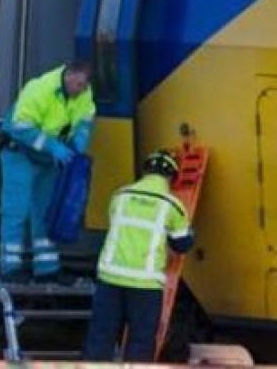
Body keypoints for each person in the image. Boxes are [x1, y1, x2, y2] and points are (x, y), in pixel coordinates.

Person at [83, 150, 194, 362]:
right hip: (145, 284)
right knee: (140, 343)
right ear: (172, 178)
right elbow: (182, 245)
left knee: (100, 338)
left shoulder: (120, 196)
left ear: (144, 171)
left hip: (110, 279)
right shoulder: (171, 205)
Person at [0, 59, 95, 282]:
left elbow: (85, 121)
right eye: (78, 85)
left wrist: (79, 141)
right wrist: (53, 146)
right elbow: (20, 126)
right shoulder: (40, 88)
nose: (81, 91)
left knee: (46, 212)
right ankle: (10, 269)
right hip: (19, 153)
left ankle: (47, 269)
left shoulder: (84, 94)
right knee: (16, 211)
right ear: (69, 75)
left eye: (85, 86)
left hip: (48, 158)